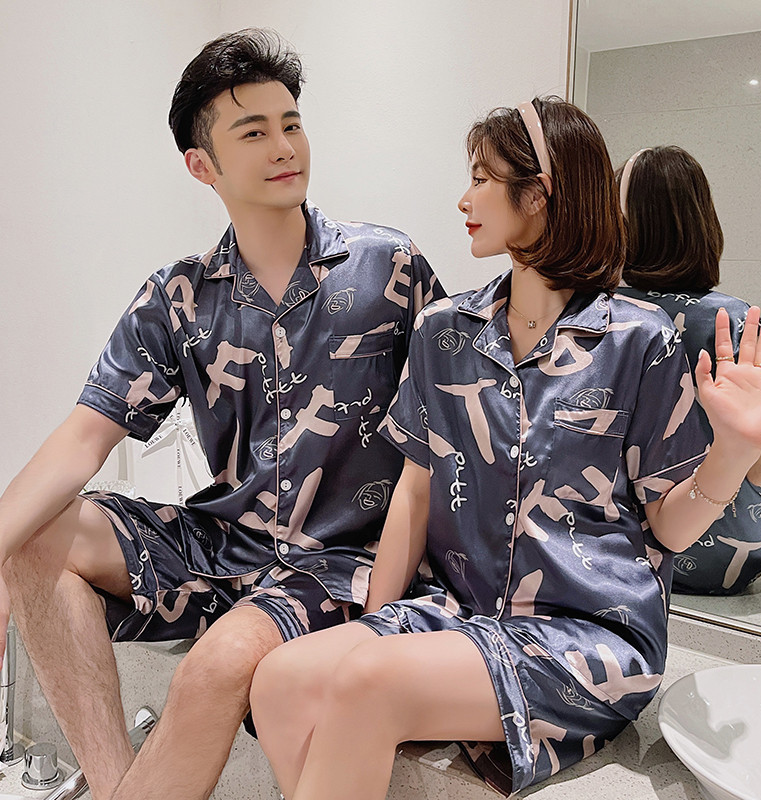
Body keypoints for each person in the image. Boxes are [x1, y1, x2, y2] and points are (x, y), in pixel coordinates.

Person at [247, 97, 761, 799]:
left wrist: (734, 453)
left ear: (538, 194)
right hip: (459, 612)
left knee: (366, 682)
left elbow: (669, 526)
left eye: (481, 179)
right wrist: (380, 619)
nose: (464, 199)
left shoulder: (639, 339)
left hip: (586, 636)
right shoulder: (444, 329)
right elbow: (415, 488)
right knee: (280, 679)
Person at [0, 28, 443, 800]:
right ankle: (114, 784)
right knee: (32, 538)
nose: (285, 146)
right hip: (226, 542)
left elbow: (451, 436)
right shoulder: (178, 297)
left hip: (341, 560)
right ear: (201, 165)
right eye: (254, 131)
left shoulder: (388, 268)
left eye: (291, 123)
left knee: (214, 666)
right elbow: (82, 438)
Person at [616, 145, 761, 594]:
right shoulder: (729, 319)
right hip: (713, 556)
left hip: (611, 546)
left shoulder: (596, 311)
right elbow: (755, 467)